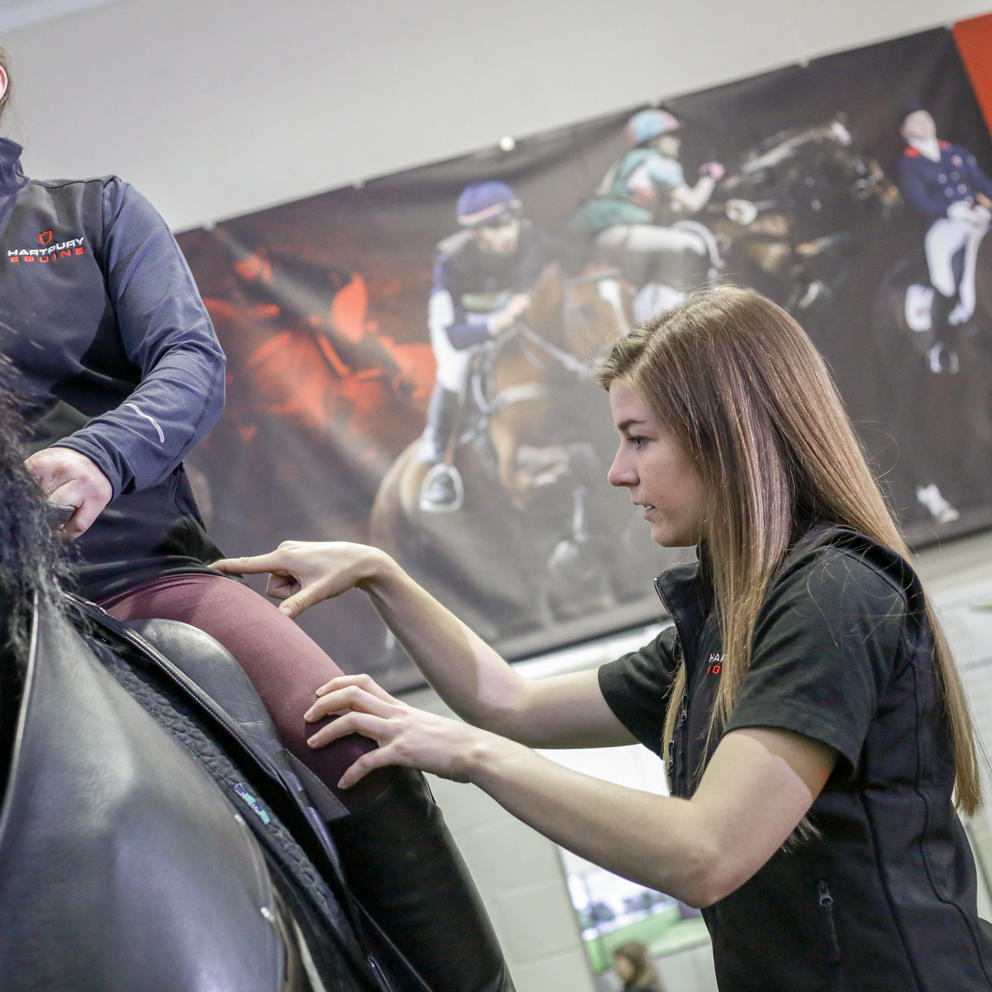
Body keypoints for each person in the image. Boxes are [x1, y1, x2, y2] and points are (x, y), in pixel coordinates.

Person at [216, 284, 992, 991]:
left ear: (727, 437)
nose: (618, 472)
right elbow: (510, 704)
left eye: (639, 438)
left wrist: (468, 755)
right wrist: (381, 573)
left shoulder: (830, 595)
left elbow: (706, 852)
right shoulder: (728, 623)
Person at [0, 47, 387, 812]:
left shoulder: (94, 213)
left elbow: (189, 358)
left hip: (142, 572)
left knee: (358, 751)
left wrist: (100, 454)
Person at [418, 179, 552, 511]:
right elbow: (456, 336)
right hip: (465, 322)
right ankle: (439, 463)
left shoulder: (534, 239)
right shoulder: (451, 262)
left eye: (510, 221)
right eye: (494, 227)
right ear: (476, 234)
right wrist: (496, 323)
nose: (508, 233)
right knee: (454, 369)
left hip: (510, 309)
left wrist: (521, 300)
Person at [567, 108, 724, 288]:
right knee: (693, 244)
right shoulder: (659, 163)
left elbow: (671, 209)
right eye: (670, 135)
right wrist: (709, 176)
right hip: (625, 234)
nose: (677, 141)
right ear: (653, 138)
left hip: (604, 240)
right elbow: (693, 204)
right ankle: (707, 301)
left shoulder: (627, 161)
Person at [895, 99, 992, 374]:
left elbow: (982, 183)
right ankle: (942, 340)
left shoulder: (955, 152)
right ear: (905, 131)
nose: (923, 124)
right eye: (915, 121)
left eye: (925, 118)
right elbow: (918, 201)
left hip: (977, 215)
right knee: (944, 277)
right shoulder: (908, 164)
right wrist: (951, 209)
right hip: (944, 224)